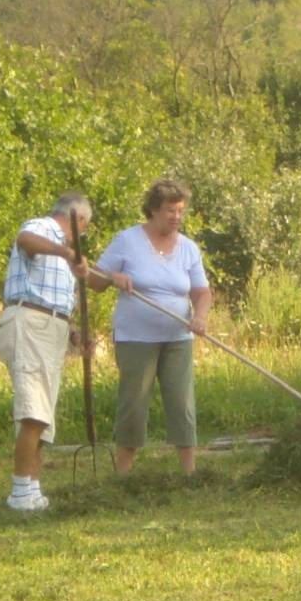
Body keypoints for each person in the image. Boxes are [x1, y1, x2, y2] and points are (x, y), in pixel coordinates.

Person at [88, 179, 212, 476]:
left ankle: (189, 475)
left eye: (181, 211)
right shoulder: (127, 240)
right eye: (170, 210)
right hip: (136, 338)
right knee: (134, 403)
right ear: (153, 210)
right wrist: (113, 277)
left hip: (177, 337)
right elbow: (93, 280)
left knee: (181, 402)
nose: (177, 217)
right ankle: (124, 476)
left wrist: (201, 316)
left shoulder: (188, 248)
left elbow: (201, 291)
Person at [0, 192, 91, 510]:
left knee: (42, 415)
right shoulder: (43, 228)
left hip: (51, 328)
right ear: (78, 219)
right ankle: (20, 492)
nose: (84, 234)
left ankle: (33, 490)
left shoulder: (66, 260)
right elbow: (25, 239)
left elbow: (57, 302)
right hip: (30, 322)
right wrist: (66, 251)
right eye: (86, 227)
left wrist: (75, 334)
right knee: (33, 410)